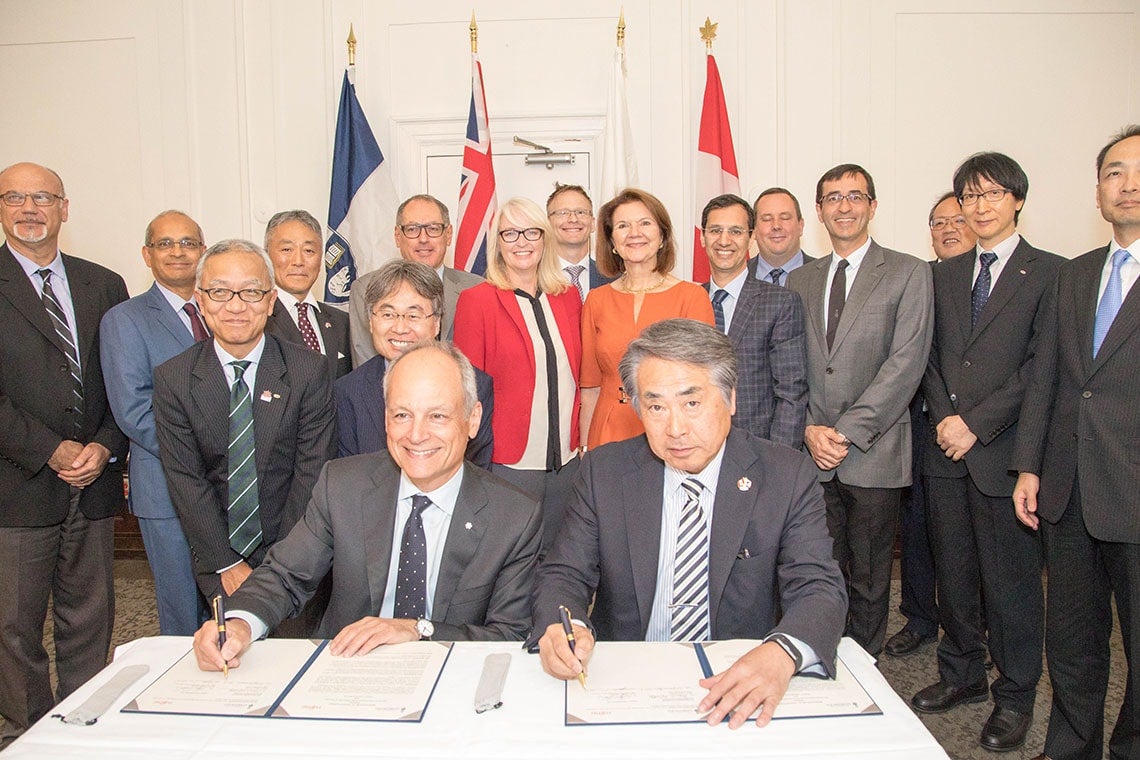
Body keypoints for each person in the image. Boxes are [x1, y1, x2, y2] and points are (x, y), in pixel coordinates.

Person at [533, 319, 846, 730]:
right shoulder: (603, 472)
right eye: (656, 407)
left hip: (738, 676)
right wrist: (566, 626)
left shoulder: (785, 475)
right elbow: (564, 574)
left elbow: (819, 587)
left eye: (692, 403)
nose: (675, 429)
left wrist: (782, 653)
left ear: (730, 398)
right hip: (628, 680)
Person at [191, 342, 542, 668]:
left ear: (473, 419)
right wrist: (239, 623)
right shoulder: (343, 486)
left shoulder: (514, 516)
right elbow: (285, 576)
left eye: (437, 416)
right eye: (402, 415)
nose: (416, 434)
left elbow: (508, 635)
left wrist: (418, 629)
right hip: (348, 670)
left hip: (452, 678)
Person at [914, 152, 1059, 752]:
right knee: (954, 575)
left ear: (1017, 200)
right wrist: (947, 419)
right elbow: (926, 356)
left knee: (1011, 586)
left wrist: (975, 423)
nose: (979, 207)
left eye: (993, 194)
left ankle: (1016, 694)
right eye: (970, 196)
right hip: (945, 452)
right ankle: (962, 673)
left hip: (1004, 454)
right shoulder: (942, 274)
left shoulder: (1051, 273)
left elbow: (1041, 368)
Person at [1012, 125, 1140, 760]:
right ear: (1098, 192)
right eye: (1115, 172)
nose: (1128, 184)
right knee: (1071, 641)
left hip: (1134, 489)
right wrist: (1028, 466)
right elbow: (1049, 379)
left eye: (1139, 172)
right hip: (1068, 488)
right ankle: (1071, 747)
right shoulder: (1075, 274)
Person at [0, 162, 129, 745]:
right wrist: (51, 449)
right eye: (16, 197)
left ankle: (83, 728)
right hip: (17, 487)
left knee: (90, 619)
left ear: (64, 208)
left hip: (93, 483)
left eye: (43, 197)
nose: (30, 208)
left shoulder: (103, 284)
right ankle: (30, 735)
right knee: (15, 628)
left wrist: (105, 444)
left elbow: (123, 380)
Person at [786, 163, 933, 657]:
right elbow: (792, 364)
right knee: (820, 570)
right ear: (819, 211)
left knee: (870, 577)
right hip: (813, 456)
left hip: (874, 451)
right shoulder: (800, 280)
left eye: (854, 196)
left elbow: (906, 364)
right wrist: (810, 428)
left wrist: (845, 431)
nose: (843, 206)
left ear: (872, 206)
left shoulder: (909, 272)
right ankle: (822, 657)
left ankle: (864, 667)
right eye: (833, 198)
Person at [153, 239, 336, 606]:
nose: (235, 306)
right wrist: (227, 563)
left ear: (270, 301)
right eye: (220, 291)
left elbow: (310, 473)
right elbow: (187, 480)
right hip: (218, 557)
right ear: (201, 301)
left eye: (251, 292)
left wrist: (279, 568)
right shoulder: (174, 378)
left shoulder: (308, 371)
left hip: (295, 556)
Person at [100, 210, 210, 636]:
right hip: (166, 489)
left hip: (226, 489)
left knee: (228, 605)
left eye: (188, 243)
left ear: (203, 251)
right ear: (147, 255)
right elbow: (134, 410)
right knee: (182, 611)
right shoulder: (125, 319)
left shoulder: (222, 309)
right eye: (165, 243)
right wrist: (205, 453)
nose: (178, 252)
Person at [453, 197, 582, 550]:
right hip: (507, 461)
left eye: (531, 232)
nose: (521, 242)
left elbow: (579, 376)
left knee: (559, 556)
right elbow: (469, 390)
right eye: (510, 233)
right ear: (497, 243)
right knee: (509, 560)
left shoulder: (568, 297)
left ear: (545, 239)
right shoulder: (477, 301)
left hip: (566, 460)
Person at [885, 190, 978, 658]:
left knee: (967, 540)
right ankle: (920, 617)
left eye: (957, 220)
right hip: (917, 425)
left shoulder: (993, 283)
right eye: (938, 222)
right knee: (917, 528)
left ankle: (974, 631)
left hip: (974, 431)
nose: (948, 229)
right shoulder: (919, 278)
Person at [579, 188, 715, 449]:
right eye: (623, 226)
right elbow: (590, 387)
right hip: (608, 431)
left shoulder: (692, 297)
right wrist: (586, 448)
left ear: (662, 236)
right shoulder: (596, 300)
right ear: (612, 242)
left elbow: (704, 383)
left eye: (645, 223)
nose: (634, 233)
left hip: (673, 431)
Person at [334, 259, 493, 467]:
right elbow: (348, 474)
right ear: (371, 322)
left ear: (437, 323)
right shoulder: (347, 391)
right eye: (388, 314)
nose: (400, 328)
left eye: (413, 315)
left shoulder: (475, 385)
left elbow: (476, 474)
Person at [700, 194, 807, 448]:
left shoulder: (780, 302)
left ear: (751, 238)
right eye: (715, 230)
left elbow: (791, 391)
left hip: (758, 450)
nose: (724, 240)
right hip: (697, 449)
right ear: (702, 237)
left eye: (736, 231)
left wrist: (779, 460)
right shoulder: (690, 300)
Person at [348, 195, 482, 365]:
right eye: (412, 229)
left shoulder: (477, 289)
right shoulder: (365, 288)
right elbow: (367, 363)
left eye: (433, 229)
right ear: (398, 236)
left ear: (448, 235)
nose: (423, 239)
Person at [263, 210, 351, 379]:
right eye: (287, 249)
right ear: (266, 255)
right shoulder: (256, 320)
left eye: (309, 251)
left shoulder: (342, 323)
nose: (298, 261)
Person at [546, 182, 614, 301]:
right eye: (563, 213)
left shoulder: (613, 279)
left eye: (580, 212)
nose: (573, 219)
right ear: (547, 223)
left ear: (593, 223)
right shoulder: (533, 279)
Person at [748, 187, 815, 286]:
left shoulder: (826, 275)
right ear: (754, 229)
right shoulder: (736, 276)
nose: (776, 226)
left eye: (785, 218)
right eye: (767, 219)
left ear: (800, 226)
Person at [929, 192, 978, 261]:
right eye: (939, 223)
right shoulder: (920, 267)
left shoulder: (990, 267)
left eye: (959, 221)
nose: (948, 229)